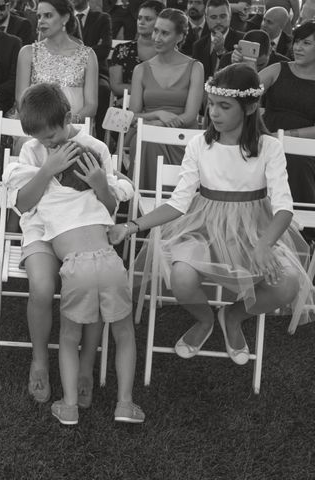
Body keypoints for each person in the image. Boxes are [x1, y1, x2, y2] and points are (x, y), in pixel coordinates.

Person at [110, 64, 314, 368]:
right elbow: (178, 203)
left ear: (251, 107)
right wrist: (130, 226)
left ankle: (232, 315)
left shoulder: (269, 147)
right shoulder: (199, 144)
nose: (214, 113)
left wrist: (264, 245)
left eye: (224, 106)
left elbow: (284, 207)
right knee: (181, 276)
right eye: (212, 104)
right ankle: (204, 319)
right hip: (202, 226)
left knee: (288, 283)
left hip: (254, 230)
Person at [2, 83, 142, 425]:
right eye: (40, 138)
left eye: (51, 136)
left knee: (89, 293)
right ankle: (39, 359)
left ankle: (85, 366)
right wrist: (48, 168)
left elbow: (110, 207)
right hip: (40, 226)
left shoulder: (95, 147)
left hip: (81, 227)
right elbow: (22, 205)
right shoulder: (33, 150)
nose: (47, 143)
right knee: (41, 286)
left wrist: (99, 184)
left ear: (67, 118)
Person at [128, 8, 204, 189]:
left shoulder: (195, 67)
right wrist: (159, 115)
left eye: (164, 33)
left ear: (179, 37)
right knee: (147, 140)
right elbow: (132, 116)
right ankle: (147, 204)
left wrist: (161, 127)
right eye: (156, 30)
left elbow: (190, 116)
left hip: (182, 136)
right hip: (147, 132)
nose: (157, 37)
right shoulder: (141, 70)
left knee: (150, 138)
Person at [258, 21, 315, 205]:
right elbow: (246, 92)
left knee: (296, 162)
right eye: (297, 42)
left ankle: (301, 226)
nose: (298, 47)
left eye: (306, 43)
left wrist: (286, 137)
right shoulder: (278, 69)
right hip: (266, 135)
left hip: (304, 145)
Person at [16, 0, 98, 125]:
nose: (41, 21)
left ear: (65, 18)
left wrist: (68, 123)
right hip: (37, 128)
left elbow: (91, 106)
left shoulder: (88, 55)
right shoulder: (28, 53)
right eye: (39, 16)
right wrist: (45, 126)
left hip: (74, 129)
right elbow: (20, 101)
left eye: (48, 15)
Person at [71, 0, 112, 137]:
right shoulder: (64, 18)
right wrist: (91, 48)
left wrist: (74, 53)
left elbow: (105, 49)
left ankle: (101, 138)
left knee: (103, 89)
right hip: (68, 70)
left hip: (98, 72)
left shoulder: (102, 18)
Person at [109, 0, 162, 97]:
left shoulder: (166, 51)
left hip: (160, 104)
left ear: (161, 22)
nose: (141, 22)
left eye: (148, 19)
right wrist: (148, 91)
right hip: (126, 107)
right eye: (139, 18)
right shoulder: (122, 49)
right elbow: (116, 87)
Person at [191, 0, 243, 81]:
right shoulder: (198, 45)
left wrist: (221, 52)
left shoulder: (242, 40)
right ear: (206, 19)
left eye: (222, 16)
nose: (218, 21)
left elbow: (241, 75)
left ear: (230, 16)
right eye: (213, 17)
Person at [218, 29, 289, 71]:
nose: (254, 69)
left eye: (260, 65)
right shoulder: (228, 60)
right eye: (248, 63)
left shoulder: (284, 66)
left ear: (270, 50)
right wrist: (234, 67)